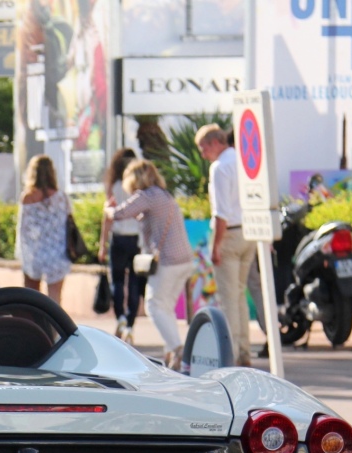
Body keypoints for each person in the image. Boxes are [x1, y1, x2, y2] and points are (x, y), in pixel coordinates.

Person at [105, 159, 194, 370]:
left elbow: (119, 214)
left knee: (154, 305)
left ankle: (178, 349)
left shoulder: (147, 196)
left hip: (167, 261)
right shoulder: (163, 195)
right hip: (184, 259)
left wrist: (108, 209)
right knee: (166, 306)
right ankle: (172, 353)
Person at [196, 123, 254, 367]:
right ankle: (243, 351)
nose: (203, 155)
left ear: (213, 143)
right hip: (249, 232)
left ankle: (232, 355)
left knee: (229, 298)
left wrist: (215, 246)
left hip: (229, 235)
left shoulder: (220, 168)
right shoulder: (243, 161)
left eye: (202, 149)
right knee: (239, 294)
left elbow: (221, 214)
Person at [98, 147, 147, 343]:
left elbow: (108, 215)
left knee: (117, 281)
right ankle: (130, 325)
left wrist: (102, 243)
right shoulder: (138, 187)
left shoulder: (114, 185)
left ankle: (119, 318)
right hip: (136, 239)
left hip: (118, 237)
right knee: (134, 282)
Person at [17, 154, 72, 303]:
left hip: (35, 253)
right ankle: (53, 326)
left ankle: (35, 325)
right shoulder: (62, 197)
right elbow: (68, 223)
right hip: (57, 253)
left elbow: (24, 229)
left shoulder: (27, 197)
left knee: (31, 297)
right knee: (55, 300)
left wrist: (23, 254)